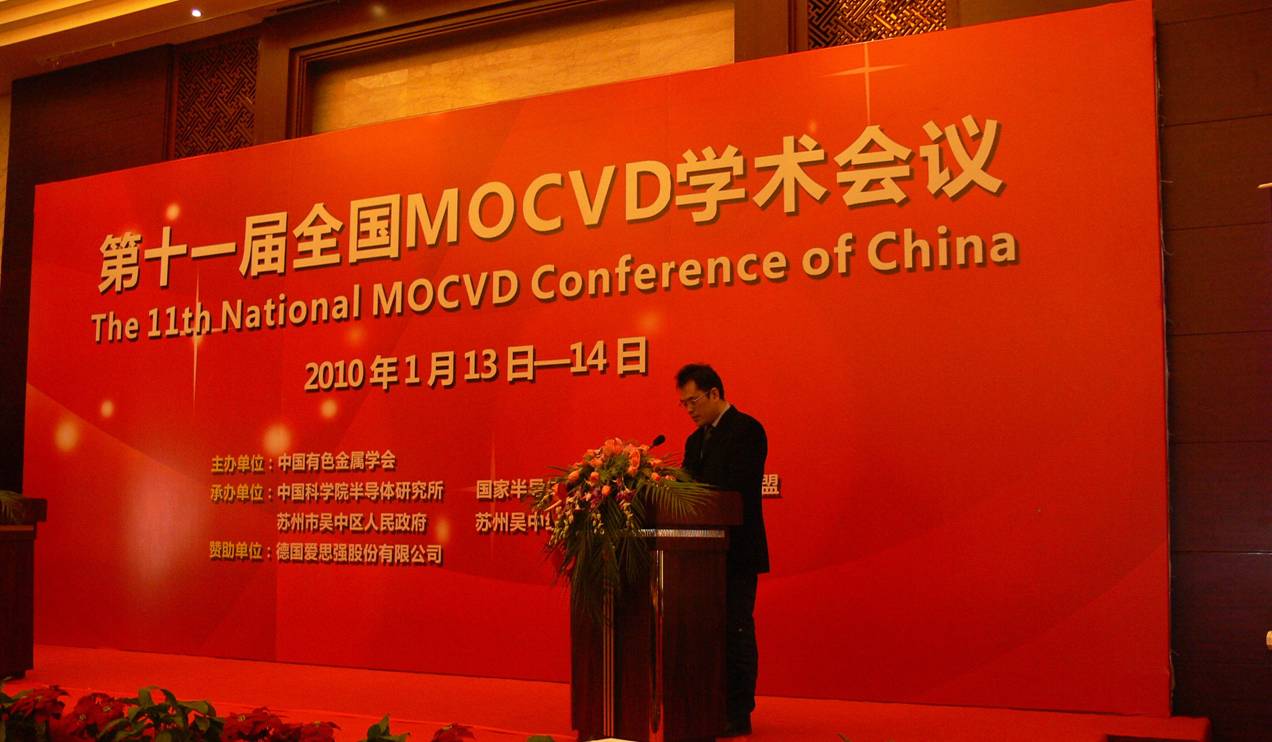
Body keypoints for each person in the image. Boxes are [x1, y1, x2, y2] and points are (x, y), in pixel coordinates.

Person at [675, 363, 768, 737]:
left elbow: (735, 489)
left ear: (714, 393)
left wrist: (696, 494)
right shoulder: (694, 441)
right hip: (700, 556)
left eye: (693, 401)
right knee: (706, 632)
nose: (689, 410)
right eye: (684, 404)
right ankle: (708, 704)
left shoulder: (747, 430)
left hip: (737, 551)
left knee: (736, 629)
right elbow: (685, 489)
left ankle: (739, 711)